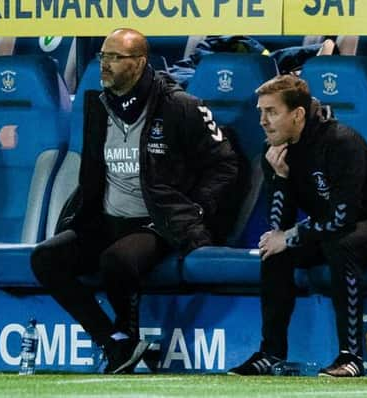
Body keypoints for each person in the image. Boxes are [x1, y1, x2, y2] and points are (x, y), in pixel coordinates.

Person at [31, 28, 239, 374]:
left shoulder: (180, 106)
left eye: (115, 57)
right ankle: (115, 342)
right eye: (103, 57)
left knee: (118, 260)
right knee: (45, 258)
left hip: (158, 222)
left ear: (140, 62)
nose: (105, 65)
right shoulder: (98, 106)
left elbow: (225, 164)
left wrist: (197, 209)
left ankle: (127, 338)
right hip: (107, 218)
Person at [228, 74, 367, 377]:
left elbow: (340, 219)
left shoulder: (340, 141)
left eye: (271, 112)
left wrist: (292, 236)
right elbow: (280, 225)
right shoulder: (276, 153)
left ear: (298, 115)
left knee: (341, 244)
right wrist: (280, 178)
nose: (262, 121)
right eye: (260, 112)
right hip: (342, 227)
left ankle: (351, 357)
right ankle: (271, 352)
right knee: (274, 251)